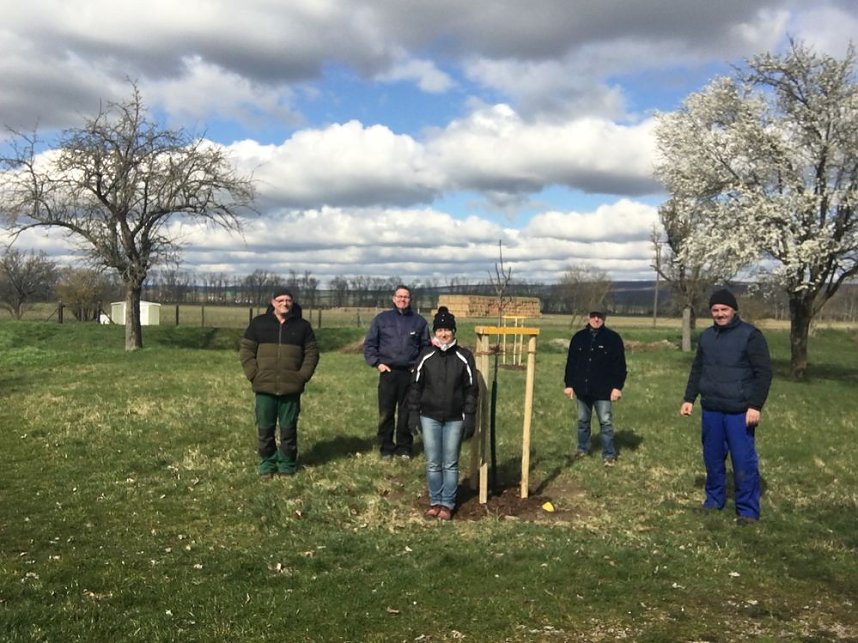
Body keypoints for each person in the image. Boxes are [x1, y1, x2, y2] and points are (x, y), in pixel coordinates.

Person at [680, 288, 772, 526]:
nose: (720, 314)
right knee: (712, 458)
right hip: (711, 408)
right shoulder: (707, 336)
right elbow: (698, 369)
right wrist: (689, 398)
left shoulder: (751, 335)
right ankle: (714, 501)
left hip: (739, 411)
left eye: (724, 309)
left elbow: (763, 373)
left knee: (743, 461)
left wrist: (755, 405)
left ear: (734, 310)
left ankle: (748, 511)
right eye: (715, 310)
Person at [239, 288, 320, 476]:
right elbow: (246, 351)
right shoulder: (258, 324)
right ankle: (267, 462)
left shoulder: (302, 327)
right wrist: (253, 374)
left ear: (292, 303)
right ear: (273, 302)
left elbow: (312, 353)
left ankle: (287, 463)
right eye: (281, 300)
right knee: (265, 428)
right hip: (264, 386)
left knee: (288, 428)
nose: (285, 303)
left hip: (291, 388)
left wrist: (302, 377)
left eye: (288, 300)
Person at [409, 307, 478, 520]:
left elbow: (471, 389)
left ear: (454, 331)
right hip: (429, 416)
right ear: (435, 332)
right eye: (440, 329)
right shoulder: (426, 356)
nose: (443, 334)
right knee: (433, 462)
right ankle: (435, 501)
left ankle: (447, 503)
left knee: (450, 462)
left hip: (455, 418)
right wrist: (413, 413)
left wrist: (470, 416)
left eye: (447, 329)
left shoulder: (464, 356)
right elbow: (415, 387)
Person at [363, 285, 430, 459]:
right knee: (386, 411)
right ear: (393, 299)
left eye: (406, 297)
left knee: (407, 412)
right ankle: (386, 447)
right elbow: (370, 344)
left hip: (410, 373)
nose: (402, 299)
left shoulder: (419, 322)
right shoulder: (381, 320)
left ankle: (404, 448)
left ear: (410, 300)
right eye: (399, 296)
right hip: (388, 372)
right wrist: (377, 363)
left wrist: (419, 366)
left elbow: (426, 348)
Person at [563, 310, 627, 466]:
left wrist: (617, 387)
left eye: (600, 316)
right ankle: (582, 449)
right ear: (588, 317)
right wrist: (569, 384)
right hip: (582, 388)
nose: (596, 319)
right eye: (593, 316)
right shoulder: (578, 338)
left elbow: (620, 366)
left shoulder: (613, 339)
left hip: (603, 391)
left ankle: (608, 455)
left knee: (605, 422)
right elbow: (571, 363)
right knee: (582, 421)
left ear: (604, 318)